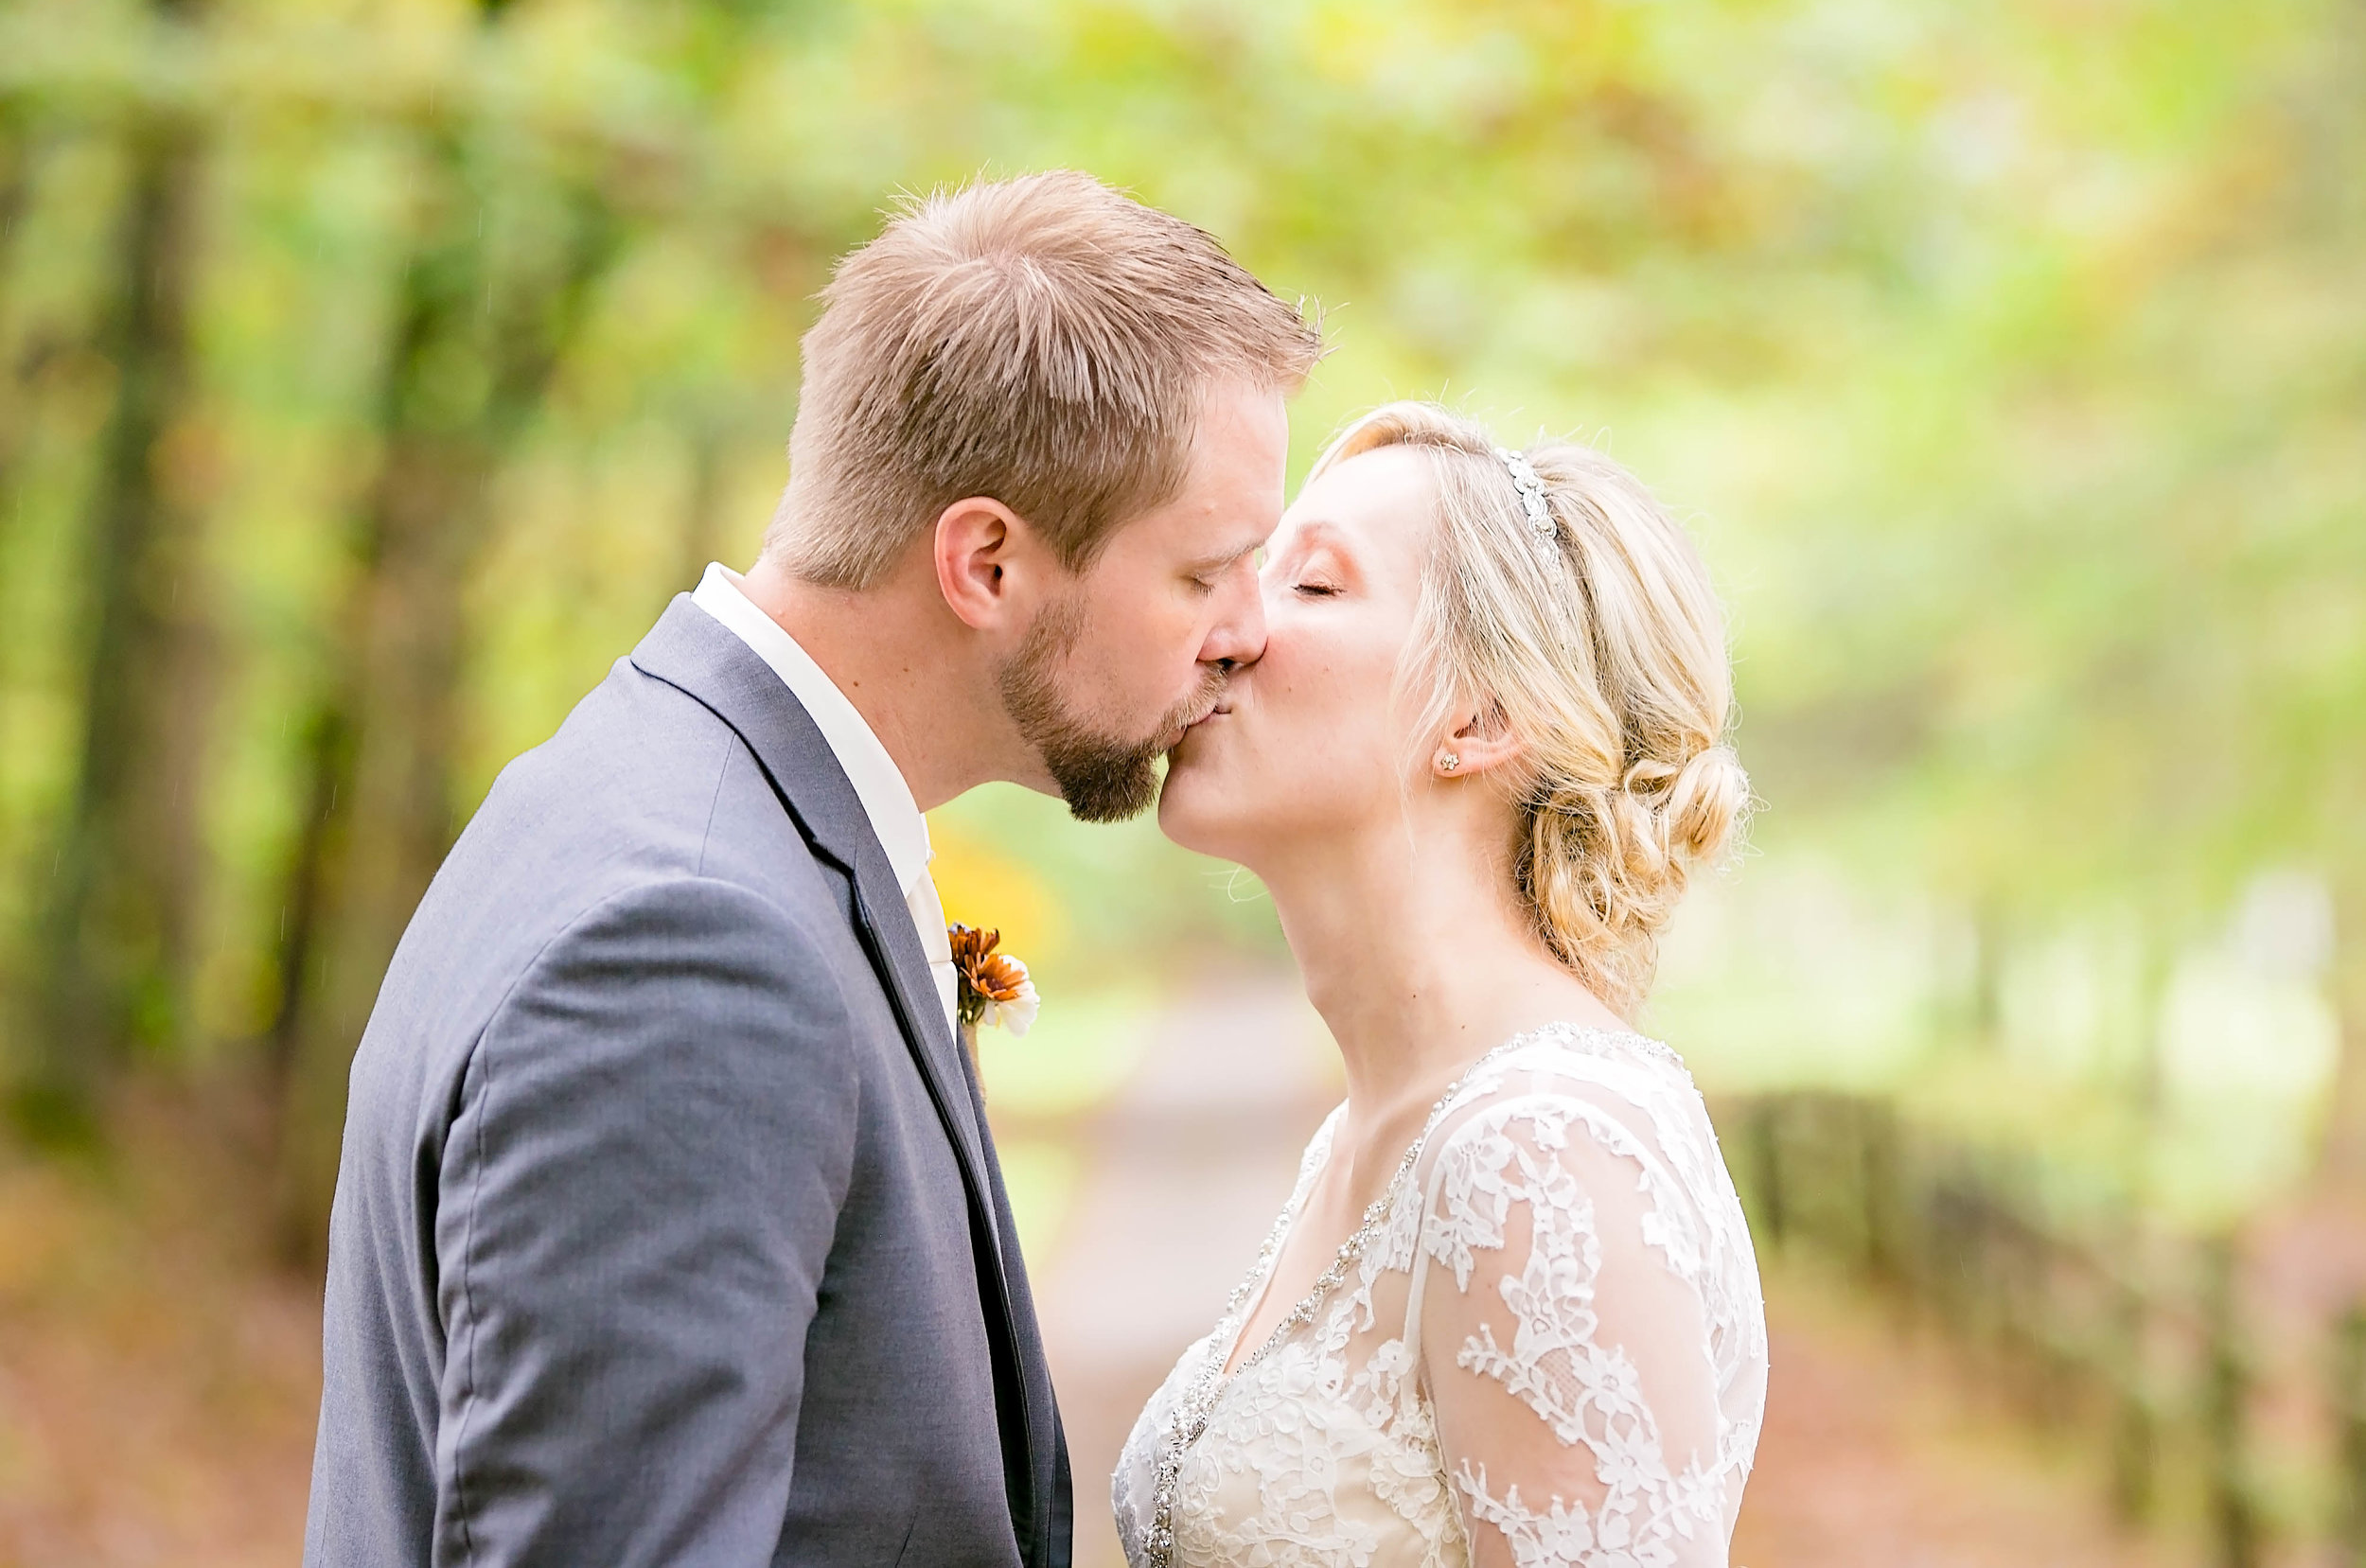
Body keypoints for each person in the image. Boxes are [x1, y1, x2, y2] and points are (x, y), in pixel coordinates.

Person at [303, 170, 1322, 1568]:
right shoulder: (690, 946)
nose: (1247, 629)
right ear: (986, 563)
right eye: (1206, 572)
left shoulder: (661, 792)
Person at [1115, 402, 1768, 1567]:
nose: (1226, 624)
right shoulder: (1366, 1136)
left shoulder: (1539, 1148)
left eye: (1310, 587)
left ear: (1479, 715)